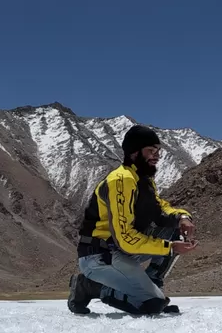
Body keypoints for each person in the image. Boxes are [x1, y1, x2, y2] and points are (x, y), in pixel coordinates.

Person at [68, 125, 198, 315]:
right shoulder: (121, 180)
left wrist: (182, 217)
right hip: (99, 255)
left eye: (158, 151)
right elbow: (125, 238)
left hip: (120, 251)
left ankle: (152, 287)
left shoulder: (143, 180)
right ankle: (88, 286)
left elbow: (160, 207)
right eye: (150, 151)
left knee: (174, 229)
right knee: (151, 305)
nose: (157, 156)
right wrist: (169, 248)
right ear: (134, 152)